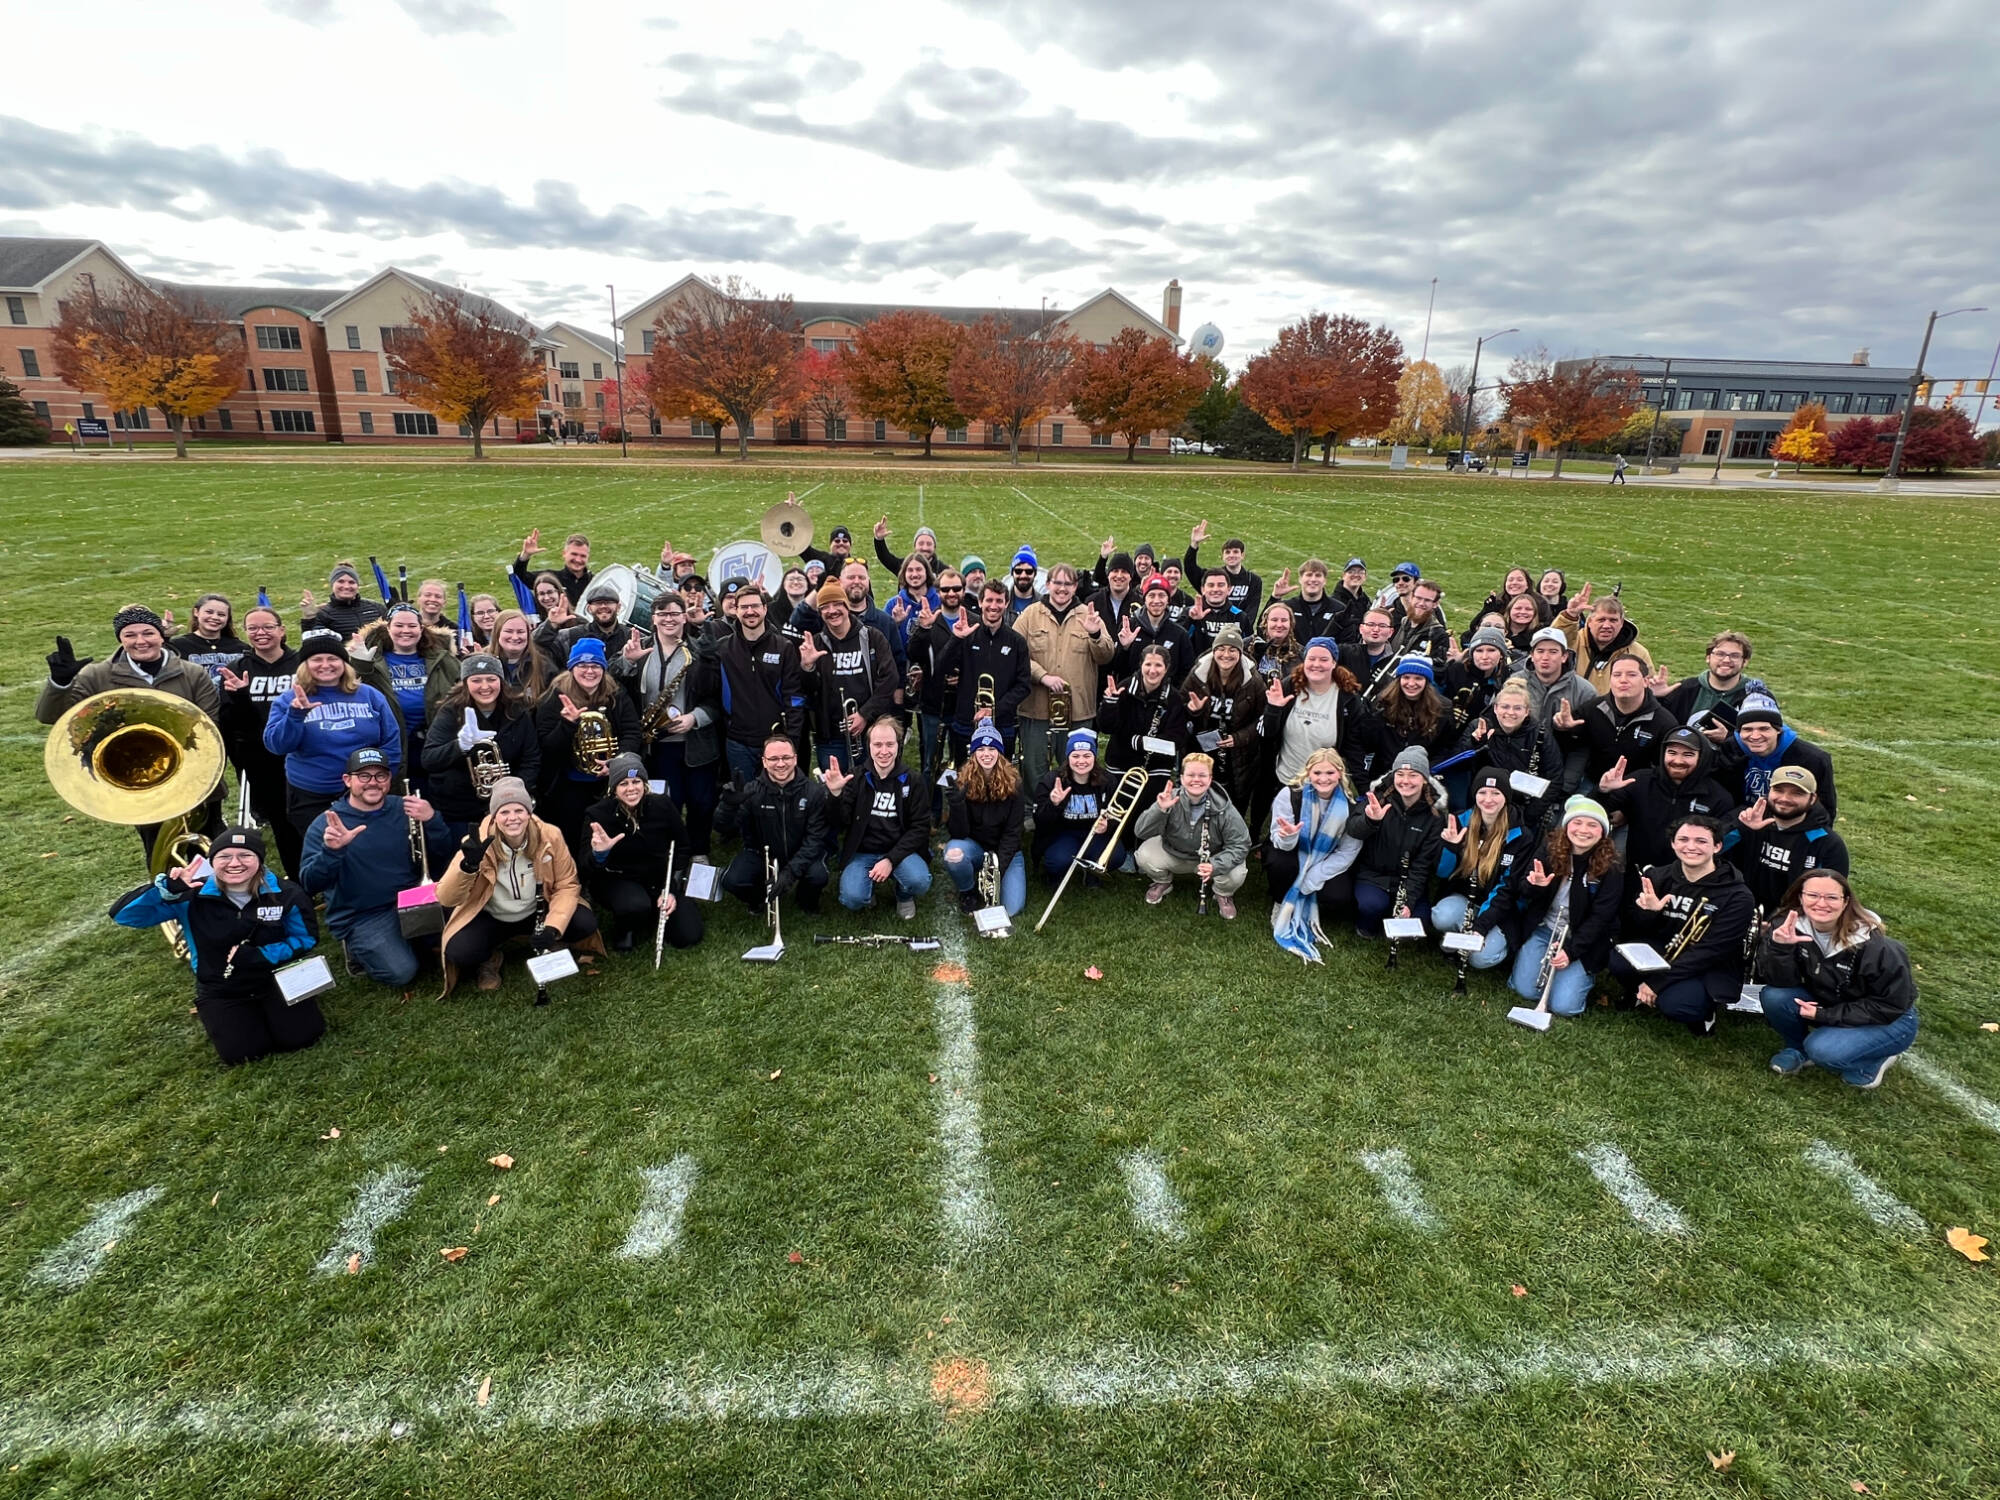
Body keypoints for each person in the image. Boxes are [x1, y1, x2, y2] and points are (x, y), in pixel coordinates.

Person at [110, 824, 323, 1065]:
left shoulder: (287, 893)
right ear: (213, 861)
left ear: (260, 860)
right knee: (243, 1055)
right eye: (224, 856)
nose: (234, 863)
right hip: (221, 988)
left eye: (245, 855)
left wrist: (262, 955)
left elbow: (306, 938)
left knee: (303, 1038)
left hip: (276, 978)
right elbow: (124, 916)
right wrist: (165, 890)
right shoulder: (190, 894)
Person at [41, 603, 228, 863]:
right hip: (138, 782)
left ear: (161, 635)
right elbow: (51, 717)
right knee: (161, 855)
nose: (141, 641)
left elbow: (211, 727)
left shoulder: (192, 674)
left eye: (148, 633)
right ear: (120, 639)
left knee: (212, 851)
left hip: (195, 779)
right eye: (130, 635)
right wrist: (60, 684)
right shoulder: (96, 676)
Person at [299, 746, 454, 988]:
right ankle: (358, 949)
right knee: (402, 972)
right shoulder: (326, 824)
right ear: (347, 780)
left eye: (380, 776)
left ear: (389, 779)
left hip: (412, 899)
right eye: (364, 776)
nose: (373, 783)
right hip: (364, 914)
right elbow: (310, 883)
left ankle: (412, 942)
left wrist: (432, 820)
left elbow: (442, 854)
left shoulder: (405, 808)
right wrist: (333, 852)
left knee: (461, 943)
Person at [435, 776, 604, 994]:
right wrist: (467, 866)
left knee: (584, 922)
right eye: (504, 812)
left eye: (519, 811)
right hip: (492, 916)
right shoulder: (476, 842)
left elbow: (567, 885)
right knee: (460, 951)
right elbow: (447, 898)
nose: (512, 818)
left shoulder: (550, 835)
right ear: (495, 816)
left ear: (529, 813)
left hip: (537, 910)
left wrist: (553, 927)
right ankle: (490, 958)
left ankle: (549, 941)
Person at [1758, 871, 1917, 1087]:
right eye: (1812, 895)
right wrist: (1780, 948)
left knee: (1824, 1050)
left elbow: (1889, 1006)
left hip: (1890, 1018)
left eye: (1832, 897)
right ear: (1801, 897)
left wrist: (1825, 1015)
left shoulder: (1880, 948)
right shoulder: (1787, 925)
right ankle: (1798, 1049)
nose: (1821, 903)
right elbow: (1781, 982)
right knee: (1774, 996)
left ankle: (1874, 1060)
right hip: (1832, 1000)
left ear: (1846, 902)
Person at [1612, 814, 1756, 1036]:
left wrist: (1658, 983)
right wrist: (1649, 913)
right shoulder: (1658, 876)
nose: (1691, 847)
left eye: (1701, 841)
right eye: (1683, 840)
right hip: (1665, 950)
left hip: (1707, 965)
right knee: (1619, 959)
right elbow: (1635, 928)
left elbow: (1711, 952)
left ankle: (1705, 1013)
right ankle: (1638, 991)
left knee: (1677, 1004)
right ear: (1673, 844)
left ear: (1717, 846)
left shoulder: (1738, 895)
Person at [263, 629, 401, 838]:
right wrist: (295, 716)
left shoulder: (369, 695)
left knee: (367, 849)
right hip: (312, 795)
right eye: (317, 659)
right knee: (323, 851)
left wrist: (377, 780)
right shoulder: (289, 700)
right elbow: (277, 746)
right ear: (305, 666)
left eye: (332, 658)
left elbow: (391, 741)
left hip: (365, 790)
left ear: (344, 664)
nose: (325, 665)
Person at [1505, 795, 1625, 1017]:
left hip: (1582, 939)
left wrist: (1571, 952)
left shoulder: (1612, 868)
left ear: (1603, 832)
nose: (1583, 830)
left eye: (1592, 825)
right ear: (1567, 825)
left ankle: (1577, 975)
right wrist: (1536, 887)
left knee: (1564, 1007)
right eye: (1577, 822)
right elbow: (1524, 889)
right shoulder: (1549, 850)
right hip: (1545, 929)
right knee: (1526, 990)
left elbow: (1601, 918)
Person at [584, 753, 703, 954]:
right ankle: (626, 927)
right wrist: (600, 854)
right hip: (617, 880)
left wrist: (671, 889)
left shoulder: (662, 805)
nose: (631, 789)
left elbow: (682, 847)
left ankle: (655, 911)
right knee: (635, 905)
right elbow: (584, 864)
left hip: (658, 879)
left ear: (645, 784)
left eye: (636, 781)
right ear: (613, 789)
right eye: (623, 784)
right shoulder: (597, 814)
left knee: (688, 936)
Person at [533, 637, 642, 857]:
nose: (589, 671)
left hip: (608, 779)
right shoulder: (555, 697)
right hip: (568, 782)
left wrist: (617, 762)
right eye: (582, 665)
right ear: (572, 667)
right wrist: (567, 724)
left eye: (595, 666)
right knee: (572, 832)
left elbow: (632, 732)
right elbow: (547, 746)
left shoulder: (616, 693)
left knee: (611, 828)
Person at [634, 592, 721, 858]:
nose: (668, 619)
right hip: (656, 746)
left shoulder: (700, 650)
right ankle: (671, 854)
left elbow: (718, 698)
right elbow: (619, 691)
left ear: (684, 617)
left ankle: (698, 851)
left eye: (674, 613)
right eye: (662, 614)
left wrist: (694, 718)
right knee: (666, 803)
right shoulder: (639, 649)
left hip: (695, 743)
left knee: (701, 802)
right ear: (653, 619)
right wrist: (627, 662)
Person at [219, 606, 305, 876]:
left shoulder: (302, 663)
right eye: (253, 628)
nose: (260, 633)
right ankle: (297, 876)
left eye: (267, 626)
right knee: (281, 821)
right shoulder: (238, 669)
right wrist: (240, 697)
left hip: (303, 752)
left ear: (282, 630)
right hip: (262, 759)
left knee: (307, 816)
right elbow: (233, 724)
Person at [1016, 562, 1116, 792]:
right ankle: (1036, 808)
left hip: (1078, 710)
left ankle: (1075, 805)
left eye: (1068, 584)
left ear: (1075, 586)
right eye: (1057, 583)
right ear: (1048, 584)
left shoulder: (1088, 615)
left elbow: (1106, 655)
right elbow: (1016, 657)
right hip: (1036, 708)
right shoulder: (1030, 615)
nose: (1062, 589)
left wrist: (1095, 633)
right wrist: (1042, 676)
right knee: (1034, 763)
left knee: (1075, 764)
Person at [421, 653, 542, 842]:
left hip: (507, 807)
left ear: (501, 681)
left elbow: (531, 758)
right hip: (460, 809)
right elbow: (429, 758)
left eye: (491, 679)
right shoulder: (450, 711)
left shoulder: (517, 712)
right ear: (465, 683)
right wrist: (460, 746)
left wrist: (514, 792)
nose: (485, 687)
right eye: (476, 680)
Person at [824, 718, 933, 919]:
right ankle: (868, 890)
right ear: (869, 746)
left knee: (919, 881)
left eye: (890, 744)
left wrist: (891, 859)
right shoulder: (855, 777)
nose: (884, 751)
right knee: (852, 898)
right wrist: (835, 795)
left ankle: (903, 894)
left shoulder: (913, 780)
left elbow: (920, 828)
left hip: (900, 850)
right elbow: (838, 822)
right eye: (878, 745)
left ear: (899, 745)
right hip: (863, 851)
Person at [716, 733, 832, 916]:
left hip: (800, 852)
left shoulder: (814, 792)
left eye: (786, 757)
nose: (780, 764)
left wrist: (789, 874)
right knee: (732, 880)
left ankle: (805, 901)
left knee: (818, 876)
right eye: (773, 758)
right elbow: (723, 827)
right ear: (764, 761)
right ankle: (759, 898)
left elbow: (815, 840)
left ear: (795, 759)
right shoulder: (750, 791)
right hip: (761, 854)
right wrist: (728, 806)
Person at [1595, 726, 1737, 874]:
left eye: (1688, 754)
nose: (1678, 760)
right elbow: (1594, 812)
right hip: (1636, 872)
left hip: (1685, 880)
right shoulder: (1640, 781)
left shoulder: (1719, 797)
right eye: (1672, 752)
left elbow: (1720, 848)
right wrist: (1603, 791)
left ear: (1701, 758)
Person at [1267, 747, 1363, 960]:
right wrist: (1289, 835)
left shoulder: (1350, 805)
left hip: (1323, 859)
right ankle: (1280, 901)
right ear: (1308, 772)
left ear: (1340, 773)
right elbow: (1278, 840)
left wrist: (1314, 876)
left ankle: (1307, 899)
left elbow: (1348, 851)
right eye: (1317, 772)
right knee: (1279, 864)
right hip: (1291, 851)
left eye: (1330, 773)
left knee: (1339, 897)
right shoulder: (1290, 794)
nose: (1323, 778)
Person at [1132, 750, 1252, 918]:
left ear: (1210, 779)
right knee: (1144, 855)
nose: (1196, 779)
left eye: (1202, 775)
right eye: (1190, 775)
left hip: (1210, 859)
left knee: (1237, 872)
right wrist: (1160, 810)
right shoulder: (1170, 798)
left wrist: (1216, 865)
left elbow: (1241, 844)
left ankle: (1223, 892)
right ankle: (1163, 882)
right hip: (1175, 853)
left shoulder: (1225, 808)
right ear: (1181, 778)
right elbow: (1140, 832)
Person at [1430, 769, 1529, 973]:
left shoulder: (1521, 835)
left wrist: (1481, 928)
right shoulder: (1459, 821)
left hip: (1500, 910)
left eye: (1496, 793)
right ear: (1474, 794)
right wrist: (1450, 847)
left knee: (1480, 958)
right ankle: (1460, 939)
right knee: (1441, 915)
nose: (1488, 799)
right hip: (1466, 900)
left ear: (1506, 798)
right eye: (1482, 792)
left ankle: (1486, 945)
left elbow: (1507, 890)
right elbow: (1442, 873)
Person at [798, 581, 898, 774]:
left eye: (837, 604)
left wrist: (864, 714)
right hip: (830, 737)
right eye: (825, 607)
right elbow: (807, 691)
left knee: (869, 789)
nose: (832, 611)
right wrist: (807, 667)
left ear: (847, 607)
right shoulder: (816, 643)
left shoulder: (872, 637)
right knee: (835, 794)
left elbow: (890, 679)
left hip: (869, 732)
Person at [352, 603, 460, 779]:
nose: (406, 631)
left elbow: (463, 688)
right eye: (399, 625)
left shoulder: (443, 659)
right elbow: (354, 694)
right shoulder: (372, 660)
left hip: (433, 741)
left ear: (421, 628)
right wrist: (361, 665)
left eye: (412, 626)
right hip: (392, 744)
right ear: (388, 627)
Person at [1352, 747, 1446, 937]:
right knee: (1371, 906)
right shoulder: (1378, 797)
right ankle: (1368, 924)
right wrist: (1371, 821)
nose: (1406, 781)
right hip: (1373, 875)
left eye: (1413, 775)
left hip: (1407, 880)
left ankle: (1397, 913)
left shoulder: (1435, 814)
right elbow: (1353, 829)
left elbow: (1423, 864)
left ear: (1425, 779)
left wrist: (1409, 900)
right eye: (1400, 774)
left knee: (1419, 922)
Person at [715, 585, 805, 783]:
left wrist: (791, 739)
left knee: (776, 801)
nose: (750, 612)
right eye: (744, 607)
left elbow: (795, 697)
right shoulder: (723, 648)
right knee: (744, 802)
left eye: (755, 606)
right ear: (736, 610)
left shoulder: (784, 647)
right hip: (738, 742)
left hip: (775, 741)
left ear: (765, 608)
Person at [1731, 766, 1849, 916]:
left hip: (1792, 920)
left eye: (1797, 793)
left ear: (1813, 799)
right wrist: (1743, 829)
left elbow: (1829, 898)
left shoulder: (1828, 844)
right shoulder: (1746, 820)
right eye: (1779, 790)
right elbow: (1707, 854)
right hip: (1736, 908)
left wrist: (1781, 920)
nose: (1785, 798)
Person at [937, 580, 1032, 762]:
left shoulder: (1017, 642)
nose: (993, 606)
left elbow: (1024, 685)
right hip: (967, 722)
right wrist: (955, 639)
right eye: (989, 600)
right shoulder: (967, 635)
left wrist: (994, 709)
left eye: (999, 601)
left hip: (1002, 724)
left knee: (1001, 784)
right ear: (980, 602)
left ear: (1006, 603)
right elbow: (942, 669)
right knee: (965, 782)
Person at [941, 723, 1027, 919]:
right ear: (973, 753)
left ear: (1000, 752)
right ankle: (968, 890)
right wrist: (957, 805)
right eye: (980, 749)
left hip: (1006, 851)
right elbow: (959, 834)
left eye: (991, 749)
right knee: (953, 853)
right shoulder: (961, 779)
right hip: (976, 846)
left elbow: (1013, 833)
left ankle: (986, 876)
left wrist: (995, 872)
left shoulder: (1015, 783)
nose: (986, 754)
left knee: (1013, 908)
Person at [1262, 638, 1365, 796]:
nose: (1316, 664)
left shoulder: (1347, 698)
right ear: (1304, 661)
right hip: (1284, 778)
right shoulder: (1289, 686)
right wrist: (1273, 709)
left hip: (1322, 784)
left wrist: (1363, 788)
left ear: (1334, 663)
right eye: (1311, 658)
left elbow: (1353, 746)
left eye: (1324, 659)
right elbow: (1268, 733)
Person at [1453, 679, 1559, 831]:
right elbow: (1457, 765)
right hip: (1484, 803)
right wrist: (1475, 744)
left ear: (1527, 711)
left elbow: (1554, 778)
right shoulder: (1478, 726)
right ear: (1495, 708)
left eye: (1517, 708)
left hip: (1523, 808)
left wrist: (1529, 816)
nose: (1510, 713)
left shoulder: (1539, 734)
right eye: (1505, 707)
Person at [1182, 625, 1264, 811]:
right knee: (1200, 792)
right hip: (1203, 745)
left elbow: (1262, 720)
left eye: (1232, 650)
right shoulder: (1198, 675)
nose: (1226, 654)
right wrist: (1193, 711)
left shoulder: (1253, 681)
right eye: (1221, 648)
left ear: (1240, 653)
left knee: (1235, 799)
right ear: (1214, 650)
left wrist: (1239, 738)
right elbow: (1180, 708)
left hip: (1238, 751)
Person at [1719, 694, 1838, 821]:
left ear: (1779, 730)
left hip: (1787, 821)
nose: (1755, 736)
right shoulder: (1731, 748)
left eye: (1764, 729)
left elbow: (1824, 810)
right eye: (1747, 729)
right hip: (1741, 816)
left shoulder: (1812, 759)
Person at [1509, 627, 1599, 794]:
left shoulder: (1585, 691)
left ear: (1564, 656)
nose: (1545, 657)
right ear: (1532, 655)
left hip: (1562, 768)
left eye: (1553, 652)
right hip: (1519, 767)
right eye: (1540, 651)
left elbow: (1586, 744)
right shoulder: (1514, 682)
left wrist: (1566, 786)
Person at [1099, 642, 1188, 802]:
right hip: (1121, 764)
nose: (1152, 671)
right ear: (1141, 665)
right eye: (1148, 664)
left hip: (1156, 769)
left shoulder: (1174, 698)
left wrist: (1143, 743)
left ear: (1166, 668)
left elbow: (1176, 740)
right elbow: (1107, 728)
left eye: (1158, 665)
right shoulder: (1123, 688)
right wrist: (1110, 704)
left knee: (1148, 819)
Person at [1033, 730, 1124, 882]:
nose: (1081, 761)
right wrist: (1054, 804)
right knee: (1057, 862)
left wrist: (1108, 825)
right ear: (1068, 758)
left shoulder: (1108, 780)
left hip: (1096, 834)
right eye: (1075, 756)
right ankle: (1056, 875)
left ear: (1094, 757)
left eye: (1087, 755)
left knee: (1116, 857)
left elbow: (1119, 814)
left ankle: (1091, 874)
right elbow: (1040, 821)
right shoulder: (1052, 780)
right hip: (1063, 833)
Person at [1580, 651, 1680, 782]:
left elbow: (1664, 770)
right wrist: (1563, 728)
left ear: (1645, 682)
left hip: (1636, 789)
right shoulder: (1592, 709)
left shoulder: (1664, 722)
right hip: (1593, 782)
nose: (1623, 680)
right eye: (1616, 675)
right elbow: (1570, 744)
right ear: (1610, 681)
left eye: (1631, 675)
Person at [1361, 654, 1456, 780]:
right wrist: (1368, 720)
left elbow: (1446, 746)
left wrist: (1429, 768)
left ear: (1427, 681)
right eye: (1406, 677)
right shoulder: (1383, 703)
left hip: (1422, 775)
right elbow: (1369, 744)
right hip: (1383, 774)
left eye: (1418, 678)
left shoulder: (1442, 708)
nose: (1411, 683)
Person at [1657, 631, 1761, 737]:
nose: (1726, 660)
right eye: (1720, 654)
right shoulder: (1685, 689)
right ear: (1708, 658)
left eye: (1734, 656)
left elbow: (1766, 739)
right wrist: (1655, 697)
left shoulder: (1756, 696)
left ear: (1745, 661)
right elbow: (1656, 726)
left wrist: (1729, 738)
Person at [1553, 583, 1653, 693]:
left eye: (1613, 620)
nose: (1606, 626)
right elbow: (1553, 641)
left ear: (1621, 623)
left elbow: (1648, 689)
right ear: (1590, 622)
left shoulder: (1638, 653)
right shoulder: (1574, 642)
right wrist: (1570, 615)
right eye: (1601, 620)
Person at [1112, 572, 1192, 687]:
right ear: (1144, 599)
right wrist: (1124, 648)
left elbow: (1186, 671)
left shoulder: (1179, 634)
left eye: (1161, 595)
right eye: (1151, 595)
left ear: (1168, 599)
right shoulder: (1129, 627)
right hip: (1133, 697)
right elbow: (1116, 668)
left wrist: (1173, 694)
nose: (1156, 600)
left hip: (1166, 698)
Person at [1183, 520, 1263, 624]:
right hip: (1211, 625)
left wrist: (1243, 627)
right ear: (1223, 556)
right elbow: (1190, 568)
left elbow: (1252, 610)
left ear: (1242, 555)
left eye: (1235, 552)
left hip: (1238, 629)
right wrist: (1194, 544)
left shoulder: (1253, 580)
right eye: (1227, 552)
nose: (1231, 555)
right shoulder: (1212, 578)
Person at [167, 593, 244, 684]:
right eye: (209, 612)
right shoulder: (177, 645)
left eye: (221, 614)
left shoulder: (241, 648)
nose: (215, 617)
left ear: (227, 619)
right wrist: (164, 637)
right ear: (196, 612)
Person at [299, 562, 387, 638]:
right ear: (332, 585)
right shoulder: (324, 614)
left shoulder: (376, 608)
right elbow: (312, 643)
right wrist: (309, 618)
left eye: (351, 582)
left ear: (358, 586)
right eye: (340, 581)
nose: (346, 586)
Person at [513, 527, 592, 605]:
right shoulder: (550, 578)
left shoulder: (595, 581)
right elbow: (518, 577)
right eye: (574, 554)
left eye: (583, 556)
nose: (578, 560)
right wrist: (526, 555)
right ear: (564, 553)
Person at [490, 608, 555, 701]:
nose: (515, 637)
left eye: (520, 632)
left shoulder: (544, 666)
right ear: (497, 633)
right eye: (508, 631)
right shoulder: (482, 661)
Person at [1389, 579, 1451, 665]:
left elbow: (1439, 668)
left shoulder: (1438, 635)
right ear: (1411, 597)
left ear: (1435, 604)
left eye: (1427, 600)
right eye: (1418, 598)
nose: (1421, 603)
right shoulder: (1396, 623)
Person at [1253, 600, 1303, 686]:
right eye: (1274, 620)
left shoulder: (1301, 653)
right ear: (1266, 622)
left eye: (1284, 620)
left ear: (1290, 624)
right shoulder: (1248, 647)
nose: (1279, 625)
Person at [875, 519, 941, 584]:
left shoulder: (942, 569)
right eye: (921, 543)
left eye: (929, 544)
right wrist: (879, 540)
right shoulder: (904, 565)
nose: (924, 548)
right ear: (915, 546)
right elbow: (884, 557)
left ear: (934, 547)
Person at [1004, 546, 1042, 616]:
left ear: (1035, 573)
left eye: (1029, 571)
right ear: (1012, 573)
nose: (1023, 575)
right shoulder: (1001, 602)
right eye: (1018, 571)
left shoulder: (1044, 604)